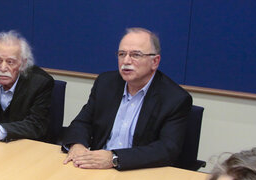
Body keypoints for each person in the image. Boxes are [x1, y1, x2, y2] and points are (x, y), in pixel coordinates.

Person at [62, 27, 191, 170]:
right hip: (96, 169)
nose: (126, 61)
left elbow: (166, 150)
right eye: (122, 54)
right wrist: (77, 145)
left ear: (155, 61)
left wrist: (114, 158)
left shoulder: (174, 98)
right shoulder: (106, 83)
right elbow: (82, 122)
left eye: (135, 55)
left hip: (138, 172)